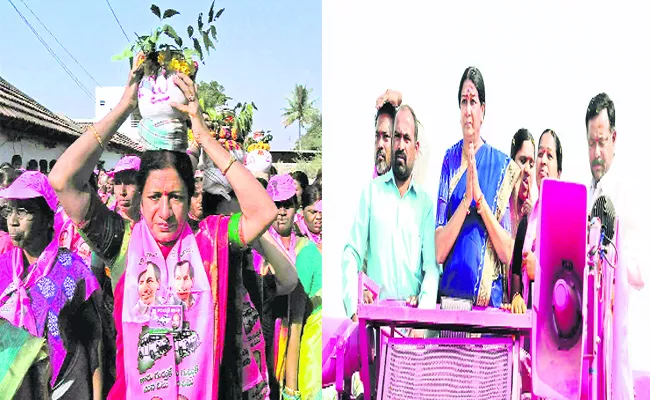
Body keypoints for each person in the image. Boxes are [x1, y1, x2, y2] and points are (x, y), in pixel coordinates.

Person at [49, 57, 294, 399]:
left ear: (193, 193)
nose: (164, 212)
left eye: (176, 197)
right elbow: (62, 180)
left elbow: (264, 210)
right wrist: (124, 107)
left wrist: (204, 134)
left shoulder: (211, 238)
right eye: (154, 197)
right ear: (139, 197)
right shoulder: (123, 242)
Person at [0, 171, 102, 399]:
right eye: (9, 210)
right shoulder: (3, 269)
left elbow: (93, 343)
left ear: (47, 218)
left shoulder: (74, 271)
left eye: (24, 211)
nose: (13, 221)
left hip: (65, 389)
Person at [341, 105, 439, 329]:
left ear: (416, 147)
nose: (401, 145)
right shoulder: (371, 193)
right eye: (396, 137)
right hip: (376, 328)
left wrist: (421, 322)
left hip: (413, 331)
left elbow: (431, 269)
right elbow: (351, 252)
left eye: (407, 138)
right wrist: (354, 304)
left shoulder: (425, 204)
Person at [435, 66, 520, 308]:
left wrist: (480, 201)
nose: (468, 110)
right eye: (464, 102)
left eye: (473, 102)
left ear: (483, 110)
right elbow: (439, 251)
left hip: (488, 313)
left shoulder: (500, 166)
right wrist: (465, 202)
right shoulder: (449, 162)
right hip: (451, 308)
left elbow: (506, 251)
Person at [583, 93, 649, 398]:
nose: (597, 152)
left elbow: (639, 273)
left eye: (602, 142)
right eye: (591, 143)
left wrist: (610, 244)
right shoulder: (585, 197)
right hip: (586, 351)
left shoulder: (625, 193)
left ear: (614, 138)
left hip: (615, 354)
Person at [293, 200, 323, 400]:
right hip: (313, 354)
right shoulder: (307, 253)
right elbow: (297, 316)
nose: (319, 217)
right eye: (314, 212)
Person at [506, 128, 536, 313]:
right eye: (522, 161)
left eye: (532, 163)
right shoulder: (499, 211)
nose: (526, 169)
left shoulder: (536, 220)